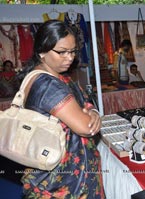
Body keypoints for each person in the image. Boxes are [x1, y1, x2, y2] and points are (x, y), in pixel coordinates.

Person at [17, 20, 105, 198]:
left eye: (72, 51)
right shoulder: (48, 84)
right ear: (42, 51)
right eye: (62, 52)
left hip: (66, 174)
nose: (70, 57)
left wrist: (92, 111)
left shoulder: (58, 77)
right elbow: (86, 127)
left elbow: (86, 102)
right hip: (62, 182)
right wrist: (89, 116)